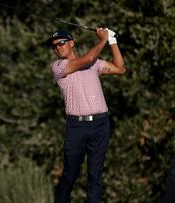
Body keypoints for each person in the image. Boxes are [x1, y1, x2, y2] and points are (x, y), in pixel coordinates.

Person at [47, 28, 126, 203]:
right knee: (70, 174)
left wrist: (112, 41)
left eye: (61, 43)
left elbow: (120, 68)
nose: (57, 48)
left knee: (95, 174)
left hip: (100, 124)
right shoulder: (58, 67)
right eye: (54, 46)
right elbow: (89, 58)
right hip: (77, 127)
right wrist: (103, 39)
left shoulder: (94, 65)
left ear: (71, 43)